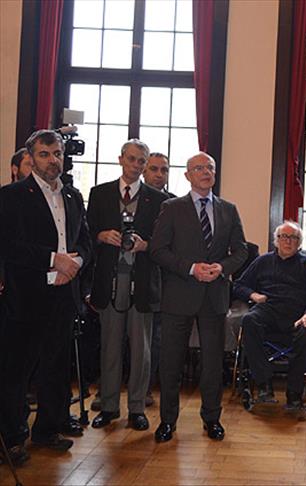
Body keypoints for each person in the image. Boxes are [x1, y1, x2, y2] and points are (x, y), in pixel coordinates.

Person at [0, 130, 91, 464]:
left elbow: (84, 241)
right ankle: (12, 438)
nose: (53, 160)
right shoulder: (12, 196)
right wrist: (54, 259)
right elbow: (8, 245)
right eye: (44, 154)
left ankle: (47, 429)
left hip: (64, 294)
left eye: (57, 153)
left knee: (55, 367)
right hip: (26, 296)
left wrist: (75, 263)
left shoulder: (73, 196)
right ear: (31, 157)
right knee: (16, 371)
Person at [150, 152, 248, 443]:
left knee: (213, 363)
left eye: (210, 168)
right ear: (187, 175)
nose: (206, 172)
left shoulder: (228, 209)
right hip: (178, 295)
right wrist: (191, 268)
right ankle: (168, 421)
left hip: (214, 296)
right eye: (199, 168)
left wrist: (222, 268)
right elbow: (157, 250)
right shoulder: (172, 208)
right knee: (171, 362)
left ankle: (212, 418)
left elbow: (241, 251)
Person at [86, 139, 168, 431]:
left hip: (142, 283)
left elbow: (165, 243)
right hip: (109, 282)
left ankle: (136, 408)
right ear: (121, 159)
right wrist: (100, 236)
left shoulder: (158, 200)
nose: (136, 165)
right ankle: (109, 406)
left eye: (141, 161)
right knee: (109, 347)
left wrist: (146, 245)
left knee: (141, 350)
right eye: (131, 159)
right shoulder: (99, 193)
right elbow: (85, 233)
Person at [233, 221, 306, 409]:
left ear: (299, 242)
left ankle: (295, 392)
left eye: (293, 237)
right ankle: (264, 385)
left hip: (298, 314)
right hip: (269, 310)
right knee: (249, 320)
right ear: (276, 240)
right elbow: (239, 285)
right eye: (284, 236)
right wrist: (253, 295)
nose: (288, 241)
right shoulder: (263, 261)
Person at [141, 151, 174, 407]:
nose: (159, 174)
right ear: (144, 171)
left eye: (164, 170)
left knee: (156, 338)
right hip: (134, 276)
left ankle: (146, 389)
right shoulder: (133, 199)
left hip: (164, 281)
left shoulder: (175, 203)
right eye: (154, 169)